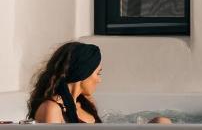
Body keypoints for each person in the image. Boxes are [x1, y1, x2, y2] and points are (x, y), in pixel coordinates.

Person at [27, 42, 170, 124]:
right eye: (98, 73)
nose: (99, 80)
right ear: (83, 72)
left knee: (162, 122)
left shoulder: (86, 103)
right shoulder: (51, 108)